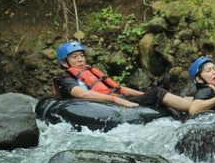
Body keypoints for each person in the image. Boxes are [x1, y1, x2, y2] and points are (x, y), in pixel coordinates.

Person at [54, 41, 191, 112]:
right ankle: (194, 108)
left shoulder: (90, 72)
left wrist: (145, 94)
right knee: (159, 93)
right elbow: (82, 94)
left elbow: (119, 89)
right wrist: (115, 100)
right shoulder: (67, 79)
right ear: (64, 63)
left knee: (155, 93)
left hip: (116, 99)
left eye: (82, 55)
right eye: (75, 57)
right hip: (107, 106)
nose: (81, 59)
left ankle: (190, 105)